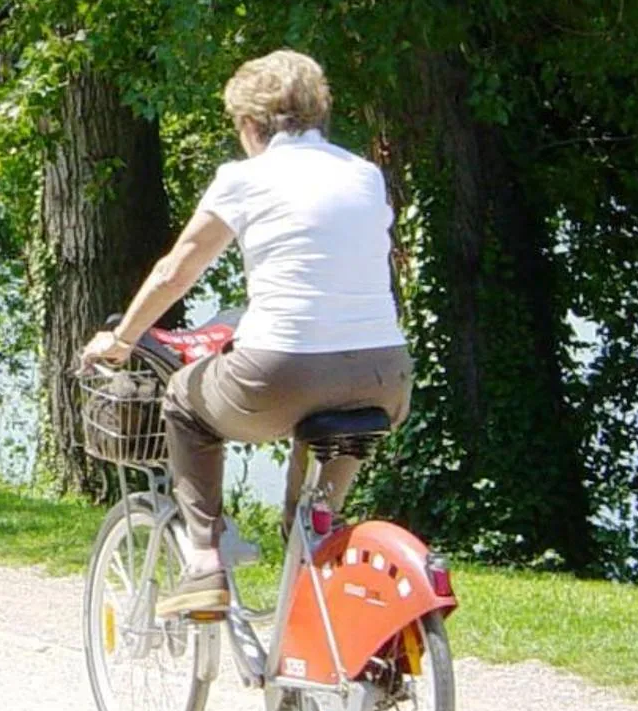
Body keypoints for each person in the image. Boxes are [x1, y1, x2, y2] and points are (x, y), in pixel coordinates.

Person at [78, 49, 410, 617]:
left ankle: (205, 560)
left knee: (184, 400)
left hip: (281, 372)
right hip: (386, 376)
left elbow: (176, 270)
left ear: (249, 124)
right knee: (330, 441)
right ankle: (318, 530)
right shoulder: (364, 175)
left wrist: (122, 339)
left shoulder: (245, 179)